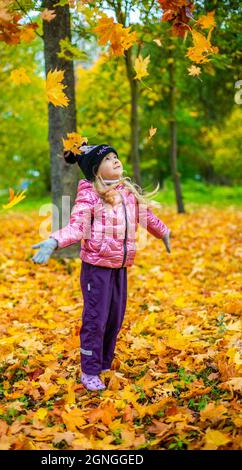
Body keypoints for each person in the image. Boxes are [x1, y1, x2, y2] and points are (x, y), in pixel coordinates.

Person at [31, 144, 171, 391]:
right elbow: (77, 227)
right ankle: (90, 369)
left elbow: (145, 216)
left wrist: (163, 232)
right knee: (96, 318)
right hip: (97, 269)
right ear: (96, 170)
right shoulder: (89, 196)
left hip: (120, 267)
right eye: (108, 158)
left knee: (115, 317)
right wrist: (54, 240)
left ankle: (104, 363)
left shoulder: (126, 191)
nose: (115, 160)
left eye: (115, 156)